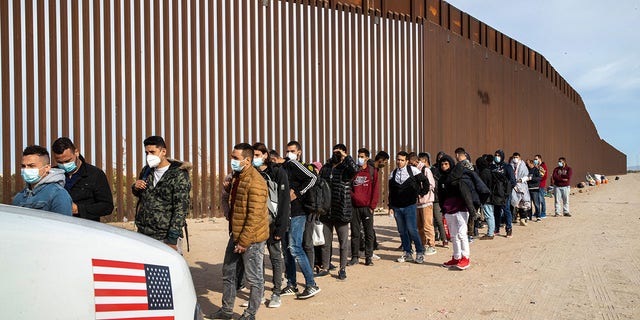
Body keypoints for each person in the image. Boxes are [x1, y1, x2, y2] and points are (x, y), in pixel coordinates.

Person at [207, 143, 269, 320]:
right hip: (236, 234)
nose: (232, 161)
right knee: (228, 272)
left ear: (247, 161)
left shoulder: (256, 182)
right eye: (232, 157)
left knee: (254, 278)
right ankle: (226, 311)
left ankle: (250, 315)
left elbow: (254, 216)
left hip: (252, 238)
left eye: (235, 158)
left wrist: (244, 241)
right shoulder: (238, 177)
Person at [132, 136, 191, 252]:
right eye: (147, 152)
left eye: (152, 152)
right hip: (144, 233)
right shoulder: (146, 171)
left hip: (165, 236)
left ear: (163, 151)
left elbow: (181, 209)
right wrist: (135, 187)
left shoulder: (178, 174)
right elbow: (141, 196)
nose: (149, 156)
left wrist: (172, 239)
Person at [252, 143, 290, 308]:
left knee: (275, 257)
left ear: (265, 155)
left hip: (273, 223)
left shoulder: (277, 172)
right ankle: (258, 293)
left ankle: (276, 292)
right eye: (253, 155)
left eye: (257, 155)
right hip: (256, 224)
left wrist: (281, 227)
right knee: (257, 259)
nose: (255, 158)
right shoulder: (251, 173)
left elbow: (284, 201)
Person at [281, 140, 321, 299]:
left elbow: (312, 178)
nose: (288, 153)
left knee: (295, 247)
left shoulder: (296, 165)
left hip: (298, 213)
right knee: (287, 250)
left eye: (292, 151)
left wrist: (298, 192)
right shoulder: (286, 167)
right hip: (287, 214)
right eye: (287, 151)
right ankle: (291, 284)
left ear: (299, 152)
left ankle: (311, 284)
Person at [438, 154, 489, 270]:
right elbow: (441, 196)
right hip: (448, 209)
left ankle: (465, 258)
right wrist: (443, 209)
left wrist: (472, 210)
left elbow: (466, 194)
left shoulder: (459, 178)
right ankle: (456, 257)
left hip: (461, 208)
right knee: (454, 235)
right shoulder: (442, 179)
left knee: (462, 234)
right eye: (442, 164)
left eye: (446, 164)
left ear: (451, 164)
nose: (444, 166)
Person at [319, 144, 358, 280]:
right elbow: (320, 184)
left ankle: (342, 268)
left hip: (342, 210)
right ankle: (325, 267)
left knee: (343, 243)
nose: (336, 155)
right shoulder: (326, 167)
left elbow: (355, 170)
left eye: (339, 153)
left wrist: (346, 157)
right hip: (327, 211)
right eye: (334, 152)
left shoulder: (346, 168)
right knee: (326, 242)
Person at [51, 137, 113, 221]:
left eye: (68, 161)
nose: (64, 165)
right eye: (60, 162)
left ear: (76, 152)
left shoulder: (95, 174)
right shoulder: (52, 175)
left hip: (86, 228)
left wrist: (78, 209)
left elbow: (107, 206)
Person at [388, 151, 429, 264]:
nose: (399, 162)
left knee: (412, 230)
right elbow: (391, 192)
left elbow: (425, 181)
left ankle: (420, 252)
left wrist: (421, 193)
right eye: (398, 159)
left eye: (401, 160)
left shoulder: (413, 171)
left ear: (406, 161)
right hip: (397, 207)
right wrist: (390, 206)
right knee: (402, 231)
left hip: (410, 206)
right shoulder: (393, 174)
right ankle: (407, 253)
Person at [13, 145, 72, 215]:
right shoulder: (19, 197)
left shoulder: (58, 194)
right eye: (23, 166)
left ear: (47, 168)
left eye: (31, 166)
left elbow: (63, 224)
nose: (26, 169)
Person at [349, 148, 380, 266]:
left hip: (367, 207)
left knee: (369, 233)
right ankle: (355, 256)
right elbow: (349, 186)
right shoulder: (354, 170)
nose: (359, 158)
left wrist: (372, 206)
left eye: (362, 156)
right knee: (355, 233)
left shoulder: (372, 171)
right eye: (358, 156)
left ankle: (368, 257)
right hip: (354, 207)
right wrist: (353, 197)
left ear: (367, 158)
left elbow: (375, 190)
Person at [490, 149, 516, 238]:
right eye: (496, 155)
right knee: (496, 211)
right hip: (496, 192)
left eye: (499, 155)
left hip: (505, 193)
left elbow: (513, 181)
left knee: (506, 210)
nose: (497, 157)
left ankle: (509, 229)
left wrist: (508, 190)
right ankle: (496, 228)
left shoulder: (507, 167)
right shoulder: (493, 167)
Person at [415, 152, 437, 255]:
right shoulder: (414, 171)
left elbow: (431, 184)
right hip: (417, 203)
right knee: (419, 225)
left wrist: (423, 193)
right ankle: (423, 244)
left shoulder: (426, 170)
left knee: (427, 225)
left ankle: (431, 245)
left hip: (426, 202)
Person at [476, 155, 496, 240]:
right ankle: (491, 231)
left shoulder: (484, 172)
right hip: (490, 195)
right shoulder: (488, 171)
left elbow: (482, 186)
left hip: (486, 196)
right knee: (490, 214)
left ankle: (490, 233)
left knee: (488, 214)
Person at [431, 151, 448, 247]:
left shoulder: (446, 172)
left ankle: (444, 238)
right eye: (439, 157)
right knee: (431, 221)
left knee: (438, 219)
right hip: (431, 198)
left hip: (438, 199)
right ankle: (434, 235)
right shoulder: (433, 169)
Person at [510, 152, 532, 227]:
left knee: (523, 202)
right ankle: (513, 218)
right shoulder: (510, 165)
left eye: (517, 157)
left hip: (522, 186)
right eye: (514, 157)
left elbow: (527, 176)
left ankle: (523, 218)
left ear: (519, 157)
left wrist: (521, 180)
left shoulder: (523, 166)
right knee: (514, 202)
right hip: (514, 186)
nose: (515, 159)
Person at [534, 154, 548, 219]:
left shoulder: (543, 166)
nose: (535, 160)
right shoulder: (536, 166)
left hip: (541, 185)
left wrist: (537, 178)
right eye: (534, 159)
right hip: (536, 185)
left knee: (541, 199)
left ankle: (543, 212)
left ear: (540, 159)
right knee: (536, 200)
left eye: (536, 159)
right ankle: (537, 212)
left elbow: (543, 176)